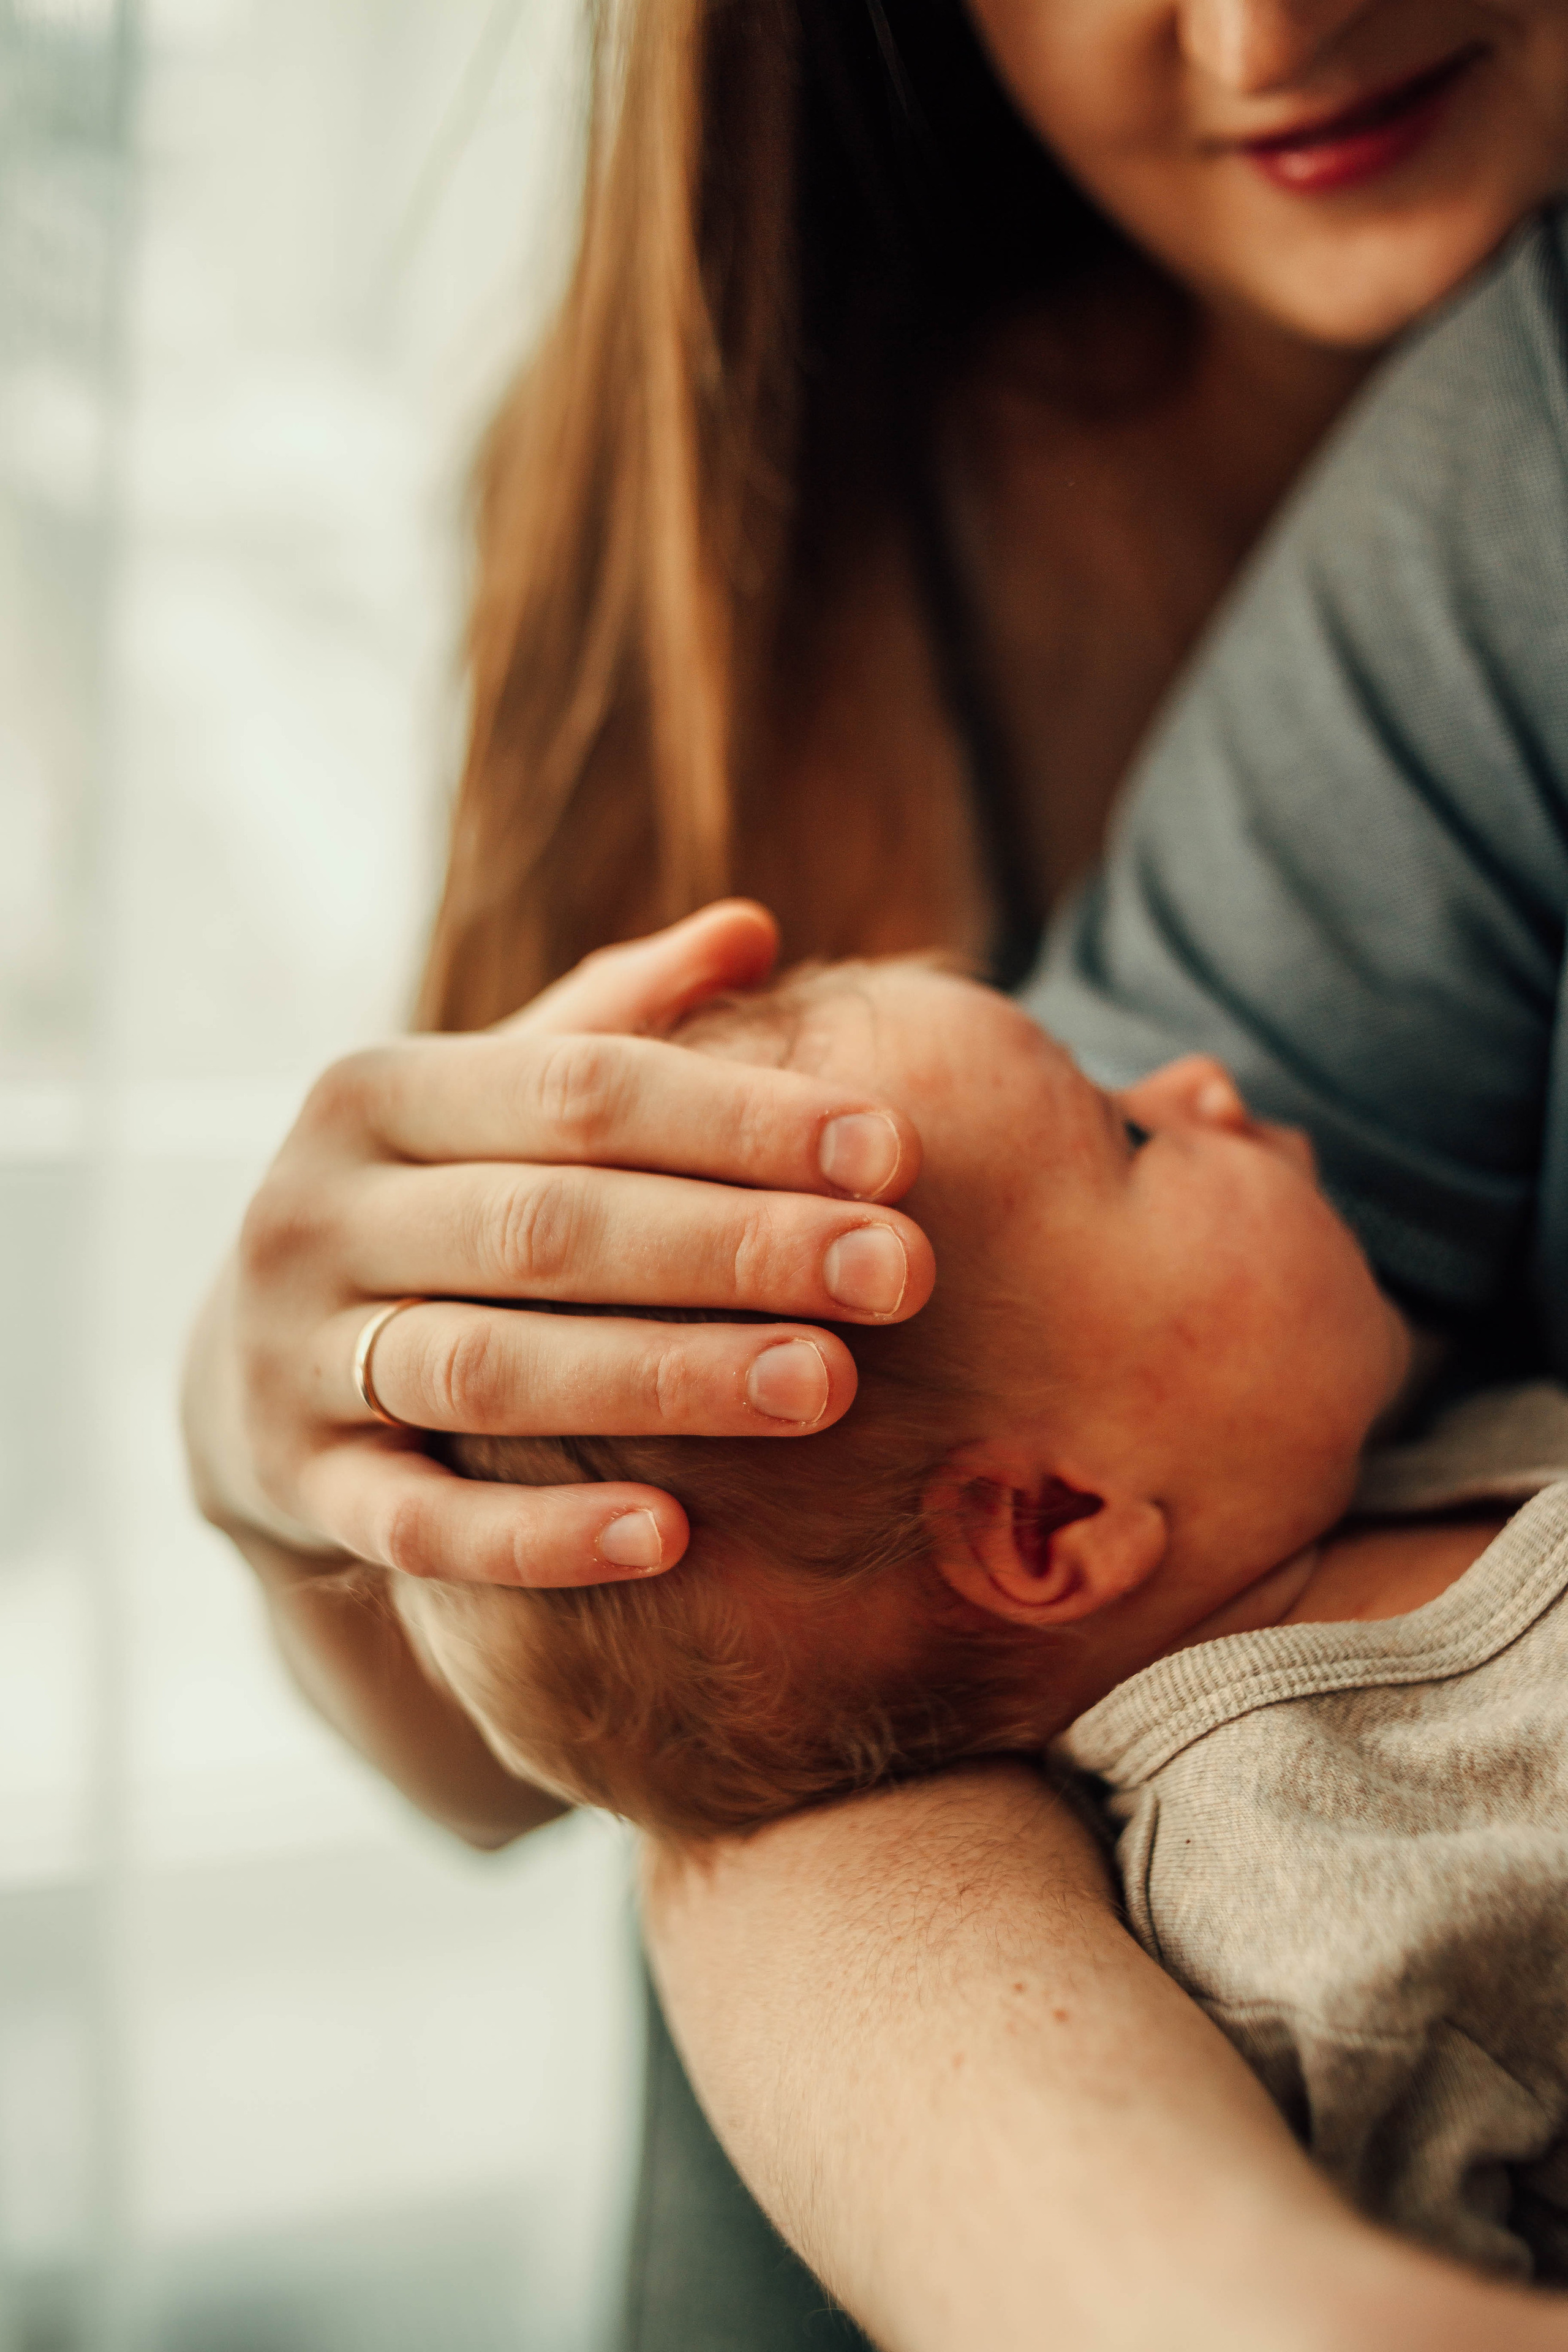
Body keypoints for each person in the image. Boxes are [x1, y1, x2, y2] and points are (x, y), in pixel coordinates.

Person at [179, 5, 1568, 2346]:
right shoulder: (778, 516)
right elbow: (664, 1688)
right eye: (1125, 1118)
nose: (1261, 23)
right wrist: (286, 1475)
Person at [405, 961, 1568, 2282]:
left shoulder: (1433, 1465)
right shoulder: (1316, 1904)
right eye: (1128, 1137)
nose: (1200, 1080)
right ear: (1050, 1525)